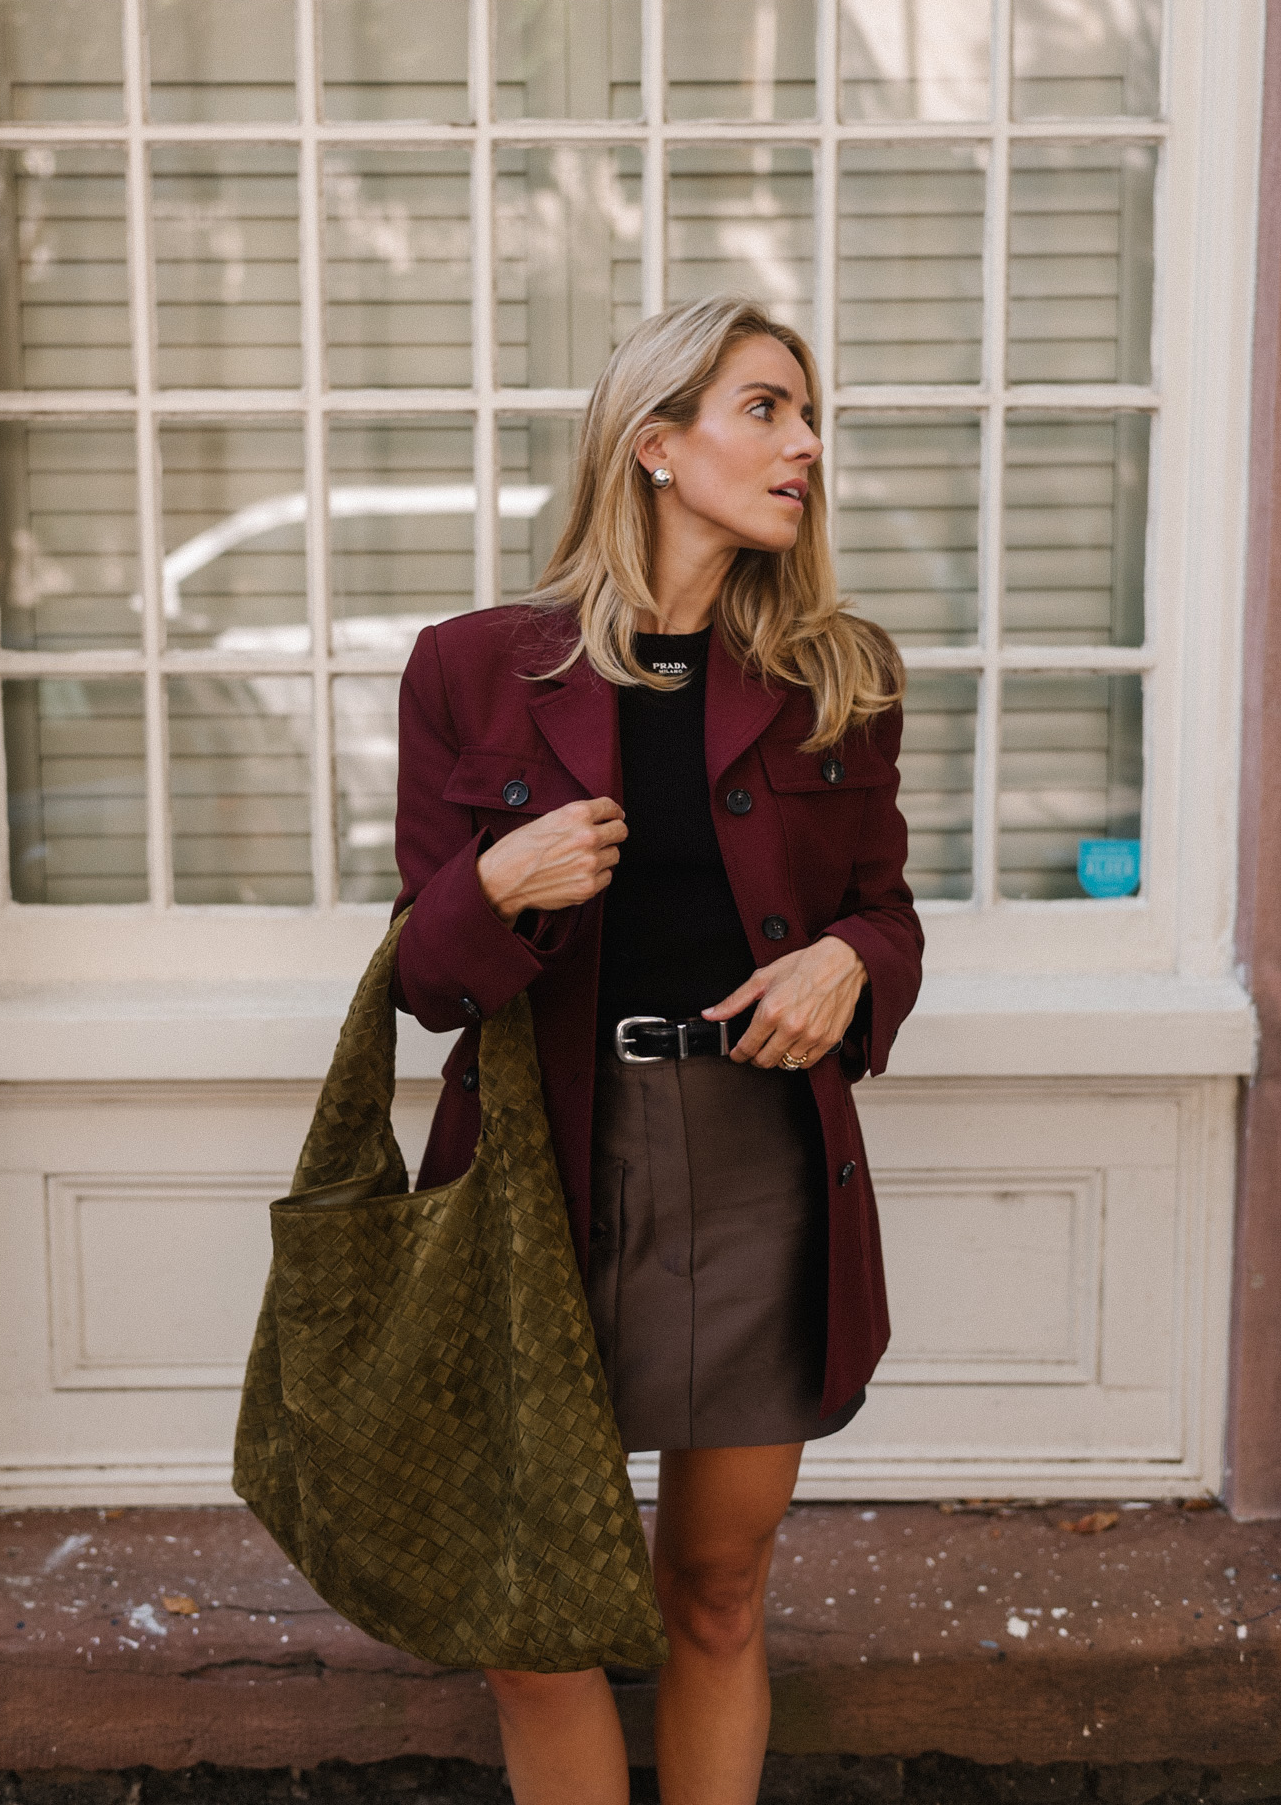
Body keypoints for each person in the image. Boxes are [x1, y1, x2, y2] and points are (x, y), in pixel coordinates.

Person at [391, 296, 923, 1805]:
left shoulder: (840, 678)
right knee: (537, 1626)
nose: (805, 444)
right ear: (653, 445)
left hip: (758, 1162)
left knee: (714, 1589)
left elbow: (888, 917)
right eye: (765, 409)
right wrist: (494, 888)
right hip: (537, 1169)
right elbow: (425, 983)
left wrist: (849, 964)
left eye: (806, 415)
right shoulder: (473, 671)